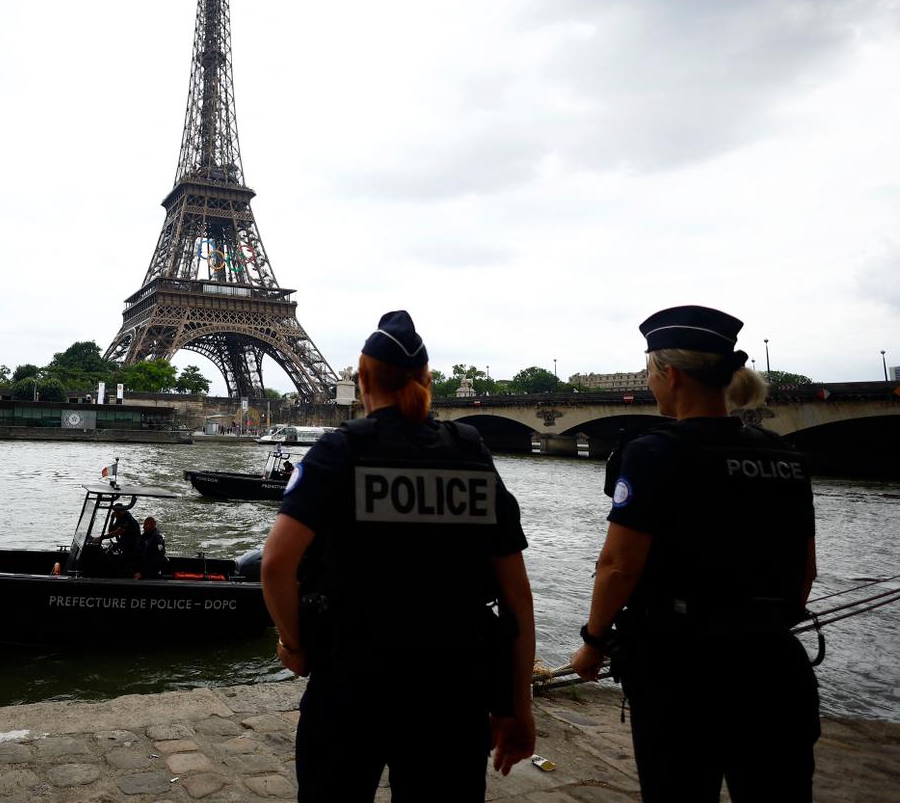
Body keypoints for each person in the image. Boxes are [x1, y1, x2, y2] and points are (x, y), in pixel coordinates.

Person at [260, 310, 536, 801]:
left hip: (352, 680)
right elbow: (517, 598)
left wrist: (296, 646)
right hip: (452, 688)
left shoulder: (340, 451)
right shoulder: (471, 453)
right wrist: (517, 706)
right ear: (427, 380)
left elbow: (276, 564)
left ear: (362, 380)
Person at [569, 305, 818, 802]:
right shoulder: (784, 456)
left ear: (672, 375)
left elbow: (618, 566)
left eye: (649, 373)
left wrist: (593, 641)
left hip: (681, 674)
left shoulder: (654, 452)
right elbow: (805, 571)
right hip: (774, 669)